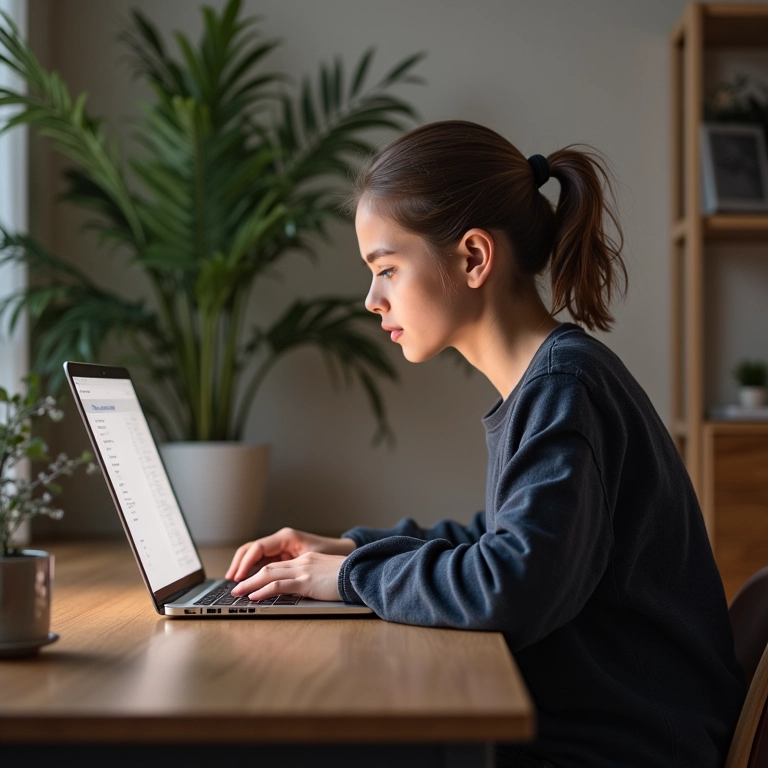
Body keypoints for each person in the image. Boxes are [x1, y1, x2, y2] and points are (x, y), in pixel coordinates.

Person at [227, 120, 746, 768]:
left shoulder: (565, 389)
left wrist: (349, 577)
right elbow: (503, 539)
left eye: (386, 268)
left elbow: (512, 584)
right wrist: (357, 547)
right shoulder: (552, 381)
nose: (371, 299)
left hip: (625, 746)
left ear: (473, 258)